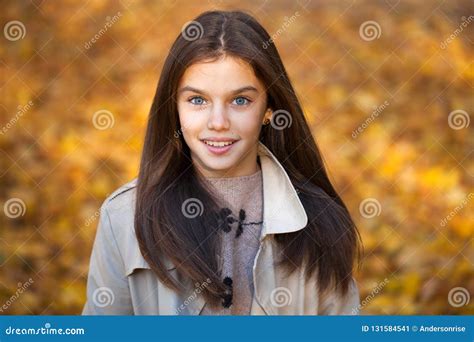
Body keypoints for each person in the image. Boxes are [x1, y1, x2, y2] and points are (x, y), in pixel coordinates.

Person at [83, 10, 361, 315]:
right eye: (197, 100)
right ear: (173, 107)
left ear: (269, 108)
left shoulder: (319, 223)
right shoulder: (123, 219)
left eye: (240, 100)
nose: (218, 122)